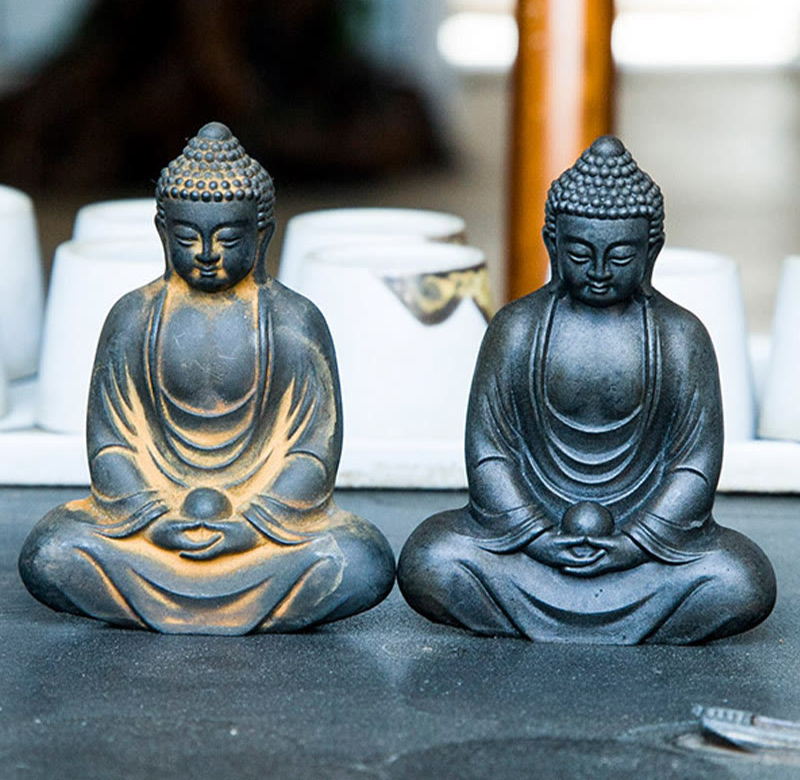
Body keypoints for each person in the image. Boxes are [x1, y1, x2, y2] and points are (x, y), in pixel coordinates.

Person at [397, 135, 776, 645]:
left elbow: (694, 465)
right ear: (553, 245)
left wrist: (633, 542)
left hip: (642, 555)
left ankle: (566, 615)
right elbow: (490, 453)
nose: (598, 272)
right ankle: (612, 619)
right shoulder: (518, 329)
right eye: (580, 253)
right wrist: (539, 535)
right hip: (533, 549)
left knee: (742, 579)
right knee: (430, 557)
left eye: (619, 256)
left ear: (651, 251)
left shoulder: (679, 337)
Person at [19, 122, 395, 635]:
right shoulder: (134, 318)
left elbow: (311, 452)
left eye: (228, 238)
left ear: (262, 234)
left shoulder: (293, 322)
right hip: (154, 529)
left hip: (261, 532)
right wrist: (157, 519)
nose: (207, 253)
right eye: (188, 237)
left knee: (361, 559)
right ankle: (229, 604)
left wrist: (250, 525)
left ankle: (184, 601)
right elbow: (111, 445)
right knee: (51, 550)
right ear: (162, 233)